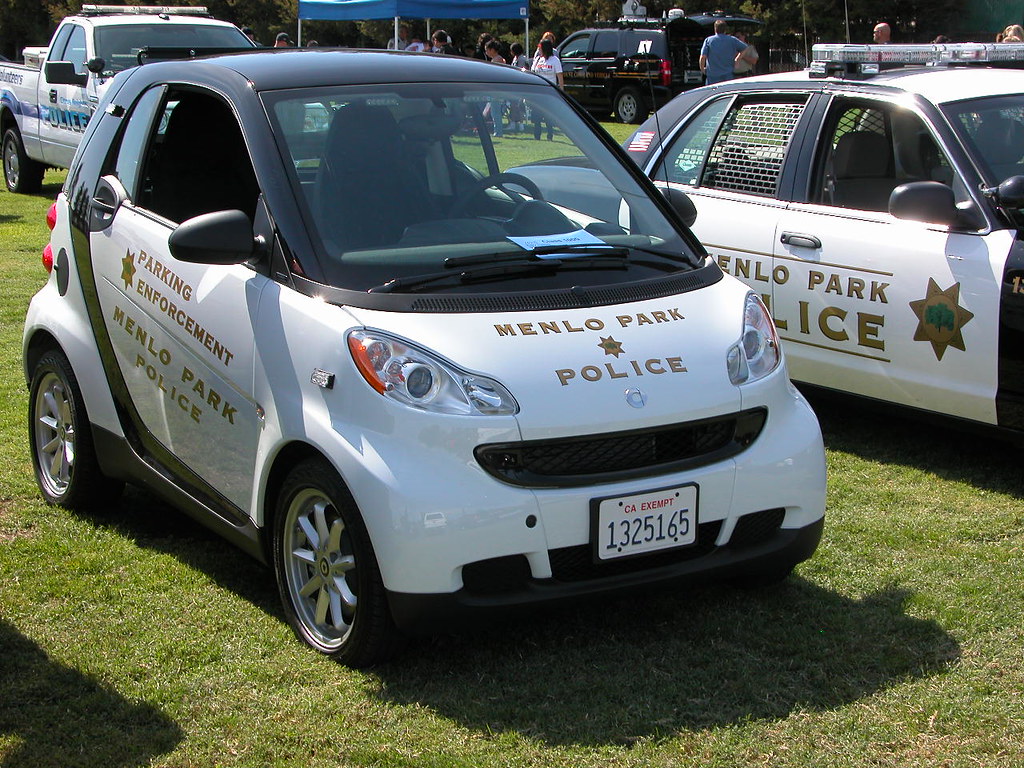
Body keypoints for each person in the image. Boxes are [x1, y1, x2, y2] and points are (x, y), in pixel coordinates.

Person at [700, 20, 750, 85]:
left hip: (712, 76)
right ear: (725, 29)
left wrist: (702, 69)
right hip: (728, 75)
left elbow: (703, 57)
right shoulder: (732, 40)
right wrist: (737, 59)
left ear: (715, 29)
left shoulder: (709, 40)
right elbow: (745, 48)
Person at [531, 38, 563, 140]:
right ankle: (537, 135)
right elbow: (532, 73)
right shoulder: (537, 60)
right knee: (536, 115)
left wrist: (561, 91)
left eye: (540, 48)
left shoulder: (555, 61)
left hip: (549, 92)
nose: (538, 50)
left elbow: (560, 77)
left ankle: (550, 135)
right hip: (537, 92)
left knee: (548, 116)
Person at [484, 41, 507, 136]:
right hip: (495, 88)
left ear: (492, 50)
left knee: (495, 111)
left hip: (496, 89)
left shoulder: (497, 60)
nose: (486, 52)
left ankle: (498, 131)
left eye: (487, 50)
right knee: (494, 111)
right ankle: (497, 130)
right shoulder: (496, 59)